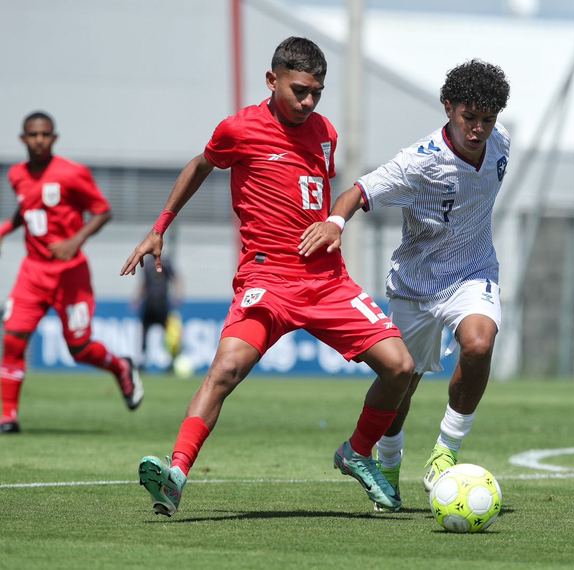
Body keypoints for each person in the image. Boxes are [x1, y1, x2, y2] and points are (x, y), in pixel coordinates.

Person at [121, 37, 414, 517]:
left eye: (317, 92)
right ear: (271, 80)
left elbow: (312, 195)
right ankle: (175, 476)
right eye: (300, 90)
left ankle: (357, 453)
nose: (309, 101)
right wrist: (159, 228)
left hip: (327, 281)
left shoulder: (325, 132)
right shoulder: (239, 129)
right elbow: (200, 165)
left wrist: (330, 225)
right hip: (269, 279)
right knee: (225, 371)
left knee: (400, 367)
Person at [300, 59, 510, 509]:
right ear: (448, 107)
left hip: (473, 273)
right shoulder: (419, 163)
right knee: (402, 383)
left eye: (488, 120)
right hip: (416, 284)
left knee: (479, 343)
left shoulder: (501, 144)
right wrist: (336, 222)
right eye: (469, 117)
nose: (478, 129)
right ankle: (389, 462)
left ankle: (446, 448)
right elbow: (357, 191)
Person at [0, 111, 143, 434]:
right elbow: (28, 207)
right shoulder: (17, 174)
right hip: (32, 273)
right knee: (13, 339)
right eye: (33, 135)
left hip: (70, 274)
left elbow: (103, 211)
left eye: (45, 134)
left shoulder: (72, 173)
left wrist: (75, 240)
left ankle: (120, 367)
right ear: (23, 139)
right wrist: (5, 230)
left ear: (54, 138)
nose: (39, 140)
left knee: (79, 348)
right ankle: (8, 417)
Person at [134, 255, 182, 370]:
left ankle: (170, 360)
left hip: (162, 302)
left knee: (168, 332)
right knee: (144, 330)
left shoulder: (165, 262)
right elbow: (144, 283)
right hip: (149, 302)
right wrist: (137, 299)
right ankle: (142, 359)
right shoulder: (147, 264)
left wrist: (177, 295)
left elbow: (176, 279)